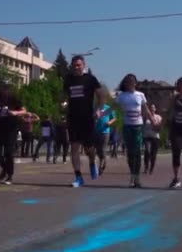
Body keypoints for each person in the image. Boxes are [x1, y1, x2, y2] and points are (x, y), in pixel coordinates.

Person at [63, 55, 106, 187]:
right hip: (73, 118)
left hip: (87, 118)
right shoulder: (68, 80)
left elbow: (101, 96)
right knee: (74, 147)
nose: (76, 67)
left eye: (79, 65)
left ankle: (92, 162)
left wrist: (99, 110)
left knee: (89, 149)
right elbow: (64, 95)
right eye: (74, 65)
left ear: (83, 65)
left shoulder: (90, 79)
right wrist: (63, 106)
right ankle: (78, 177)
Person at [115, 74, 158, 187]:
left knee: (137, 152)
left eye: (132, 81)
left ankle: (137, 177)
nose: (130, 83)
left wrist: (153, 121)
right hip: (127, 126)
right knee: (130, 152)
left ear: (135, 83)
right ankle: (132, 176)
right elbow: (112, 108)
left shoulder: (140, 95)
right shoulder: (121, 96)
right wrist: (100, 114)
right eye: (128, 81)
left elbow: (146, 110)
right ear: (125, 83)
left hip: (138, 126)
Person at [0, 81, 27, 184]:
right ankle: (5, 168)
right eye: (2, 87)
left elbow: (24, 111)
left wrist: (15, 112)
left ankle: (9, 176)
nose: (3, 90)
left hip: (10, 128)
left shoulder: (13, 98)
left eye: (5, 88)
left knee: (9, 152)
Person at [95, 103, 116, 174]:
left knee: (103, 149)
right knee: (98, 150)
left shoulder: (108, 108)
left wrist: (109, 122)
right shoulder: (95, 107)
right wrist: (95, 116)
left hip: (105, 131)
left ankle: (100, 167)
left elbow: (114, 118)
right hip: (96, 131)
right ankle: (104, 160)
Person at [143, 103, 162, 175]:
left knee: (153, 154)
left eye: (153, 108)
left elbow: (159, 128)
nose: (152, 109)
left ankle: (151, 168)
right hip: (147, 137)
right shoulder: (145, 117)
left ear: (155, 109)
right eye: (150, 107)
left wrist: (155, 124)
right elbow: (143, 125)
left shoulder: (158, 117)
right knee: (147, 151)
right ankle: (146, 167)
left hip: (155, 137)